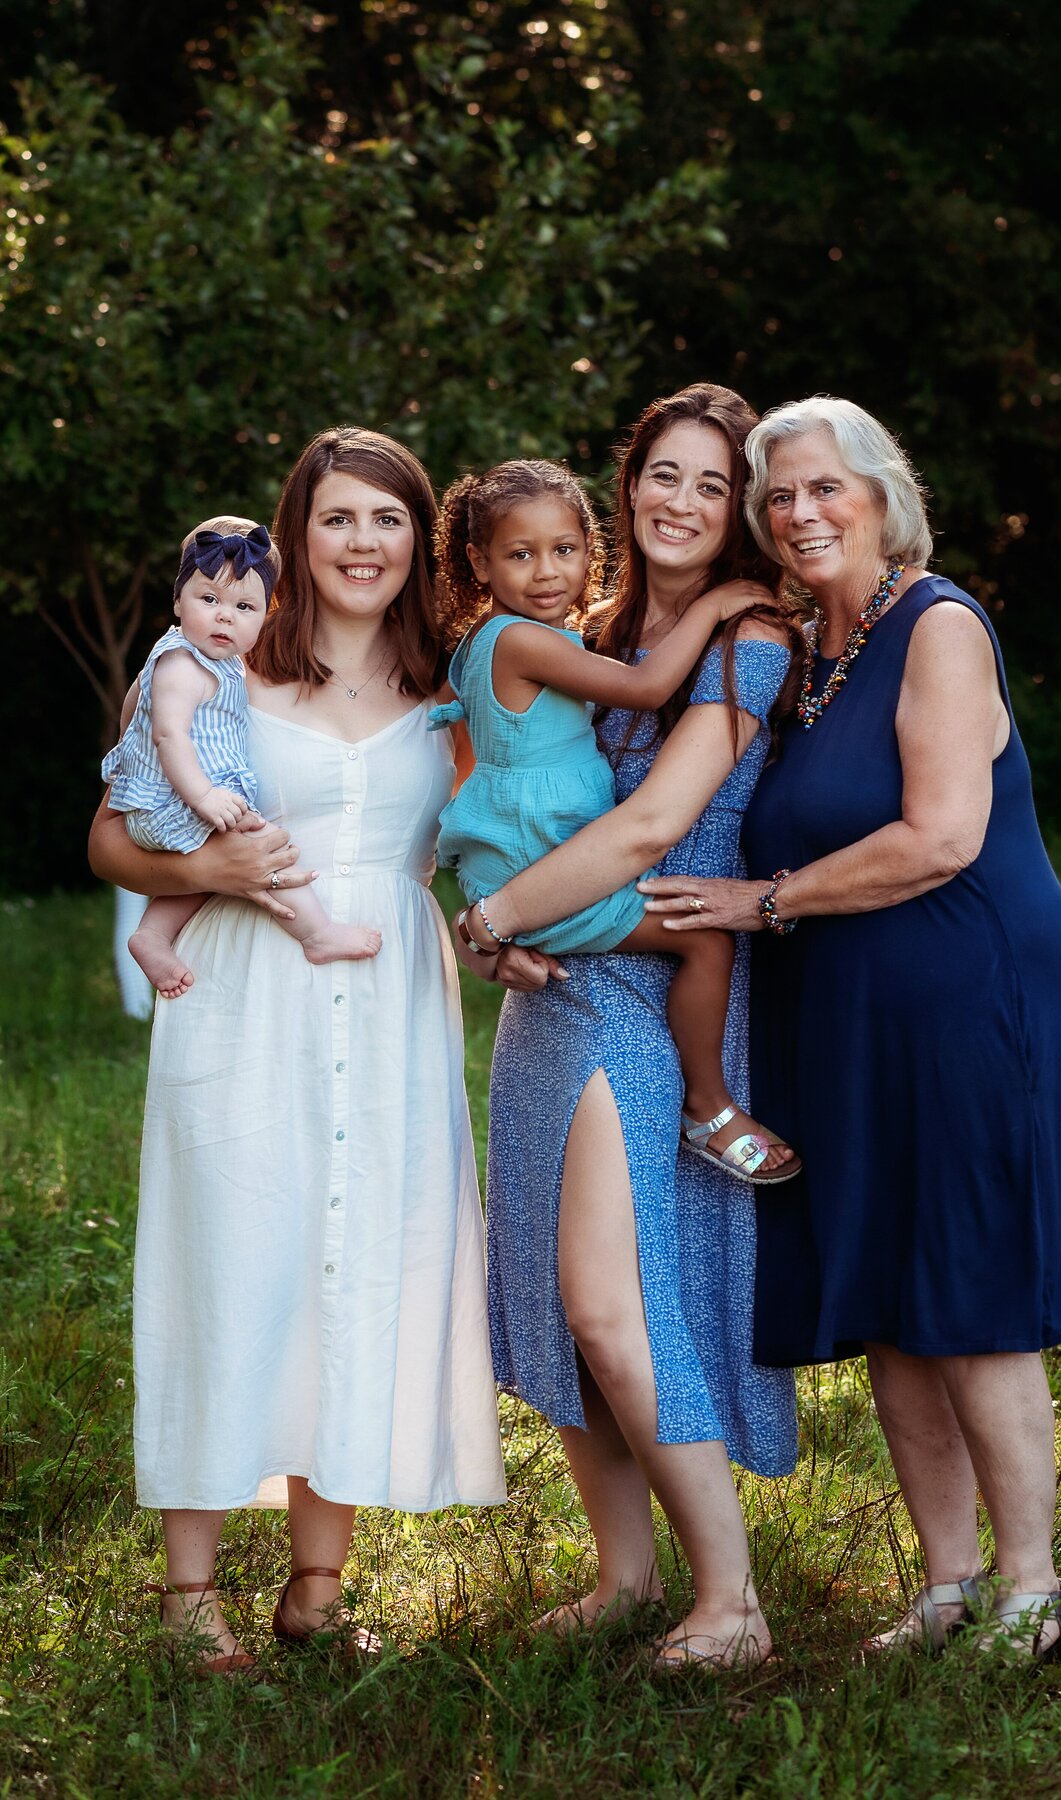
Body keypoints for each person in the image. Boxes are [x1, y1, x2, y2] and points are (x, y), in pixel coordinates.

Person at [641, 395, 1061, 1664]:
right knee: (889, 1294)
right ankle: (948, 1584)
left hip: (967, 998)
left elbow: (942, 835)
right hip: (842, 1009)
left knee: (970, 1287)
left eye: (822, 488)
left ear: (884, 494)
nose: (798, 514)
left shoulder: (937, 626)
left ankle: (1033, 1589)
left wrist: (761, 901)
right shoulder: (809, 651)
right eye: (776, 498)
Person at [88, 426, 506, 1672]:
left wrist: (510, 925)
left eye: (386, 519)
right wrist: (207, 865)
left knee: (359, 1263)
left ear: (414, 538)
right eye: (336, 518)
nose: (361, 542)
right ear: (295, 533)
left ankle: (319, 1584)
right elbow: (112, 841)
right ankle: (188, 1593)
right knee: (234, 1257)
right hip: (245, 989)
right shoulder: (218, 665)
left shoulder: (453, 689)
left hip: (388, 1002)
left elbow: (496, 833)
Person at [455, 385, 800, 1670]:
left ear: (741, 512)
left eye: (713, 485)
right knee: (554, 1295)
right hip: (561, 985)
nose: (682, 502)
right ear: (628, 482)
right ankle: (624, 1573)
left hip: (652, 984)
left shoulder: (743, 642)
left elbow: (652, 827)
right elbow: (509, 784)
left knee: (616, 1302)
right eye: (665, 472)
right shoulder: (578, 627)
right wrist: (511, 923)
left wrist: (489, 917)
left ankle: (734, 1602)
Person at [433, 457, 795, 1183]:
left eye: (564, 551)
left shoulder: (498, 643)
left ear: (590, 553)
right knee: (708, 946)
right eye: (520, 554)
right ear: (480, 562)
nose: (545, 573)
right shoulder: (518, 639)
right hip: (538, 860)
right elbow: (647, 684)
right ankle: (710, 1107)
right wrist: (714, 605)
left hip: (516, 853)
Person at [102, 516, 382, 999]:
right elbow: (167, 735)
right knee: (263, 843)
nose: (224, 615)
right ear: (177, 601)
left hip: (178, 803)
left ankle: (152, 935)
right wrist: (204, 795)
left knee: (212, 869)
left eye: (244, 606)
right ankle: (318, 934)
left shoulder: (211, 662)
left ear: (265, 615)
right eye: (208, 599)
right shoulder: (183, 665)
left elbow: (134, 714)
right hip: (179, 801)